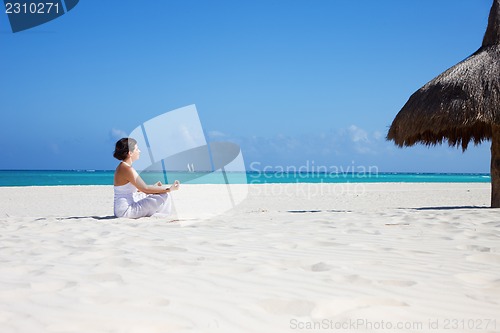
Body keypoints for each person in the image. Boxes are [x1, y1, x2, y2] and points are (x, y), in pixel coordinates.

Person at [113, 137, 180, 218]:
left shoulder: (123, 167)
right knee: (164, 194)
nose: (139, 151)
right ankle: (163, 216)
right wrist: (169, 189)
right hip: (126, 211)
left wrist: (154, 187)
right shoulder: (127, 168)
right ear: (130, 153)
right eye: (137, 149)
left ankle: (159, 215)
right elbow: (145, 189)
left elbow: (135, 188)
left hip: (122, 208)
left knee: (158, 193)